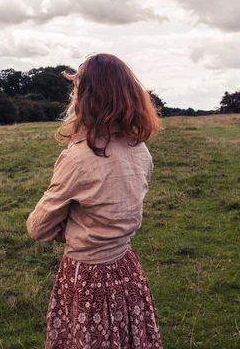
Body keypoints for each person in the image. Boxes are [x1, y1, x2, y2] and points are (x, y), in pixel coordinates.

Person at [27, 53, 163, 348]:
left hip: (87, 273)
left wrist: (67, 228)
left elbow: (38, 228)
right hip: (127, 267)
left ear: (85, 98)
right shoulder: (140, 150)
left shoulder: (77, 157)